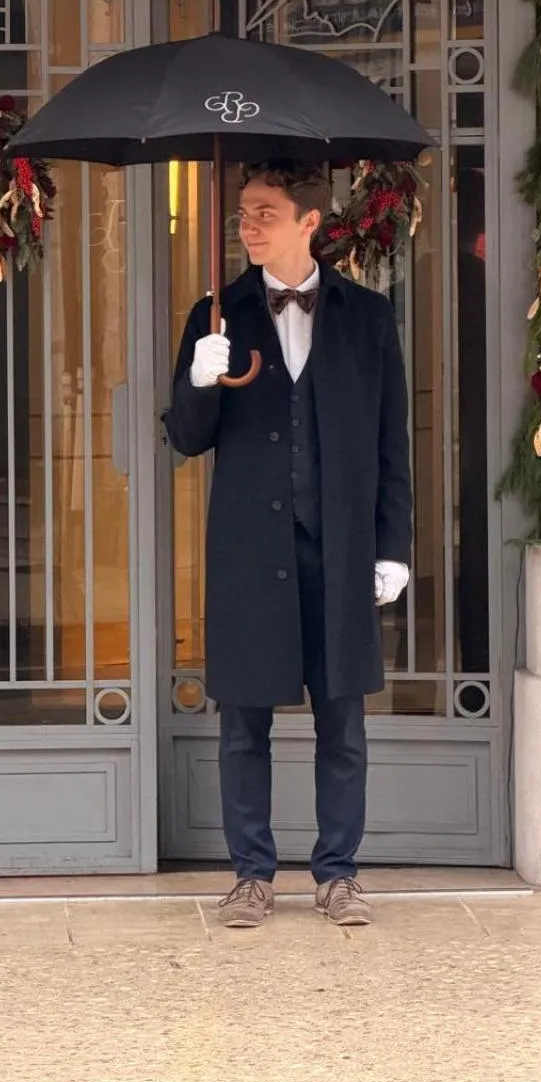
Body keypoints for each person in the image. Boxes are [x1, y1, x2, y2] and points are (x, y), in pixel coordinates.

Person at [163, 160, 412, 929]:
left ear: (310, 222)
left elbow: (388, 443)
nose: (248, 225)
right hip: (248, 550)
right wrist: (199, 383)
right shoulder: (216, 314)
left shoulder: (367, 317)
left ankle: (338, 874)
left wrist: (393, 547)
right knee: (243, 724)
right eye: (242, 212)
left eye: (265, 212)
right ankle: (251, 876)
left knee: (343, 722)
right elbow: (186, 438)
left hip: (337, 549)